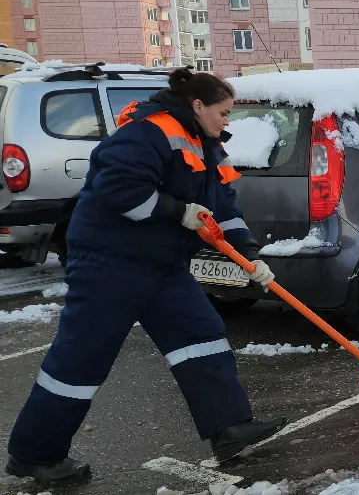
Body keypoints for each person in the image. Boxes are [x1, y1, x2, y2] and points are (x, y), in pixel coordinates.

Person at [4, 68, 287, 484]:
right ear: (198, 105)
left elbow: (222, 206)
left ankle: (229, 427)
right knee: (82, 358)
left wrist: (248, 255)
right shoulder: (147, 133)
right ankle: (35, 454)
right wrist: (178, 211)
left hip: (162, 265)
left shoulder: (207, 146)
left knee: (201, 336)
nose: (228, 121)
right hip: (109, 262)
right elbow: (117, 191)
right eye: (224, 112)